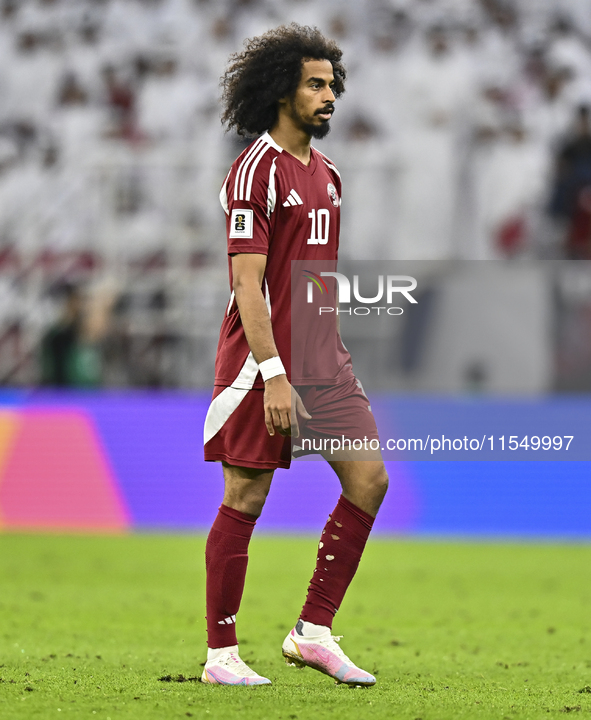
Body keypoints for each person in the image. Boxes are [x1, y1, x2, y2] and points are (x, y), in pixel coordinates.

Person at [202, 24, 389, 687]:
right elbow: (248, 284)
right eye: (316, 84)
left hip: (322, 358)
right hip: (262, 363)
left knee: (369, 480)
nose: (329, 95)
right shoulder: (253, 170)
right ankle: (220, 655)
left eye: (333, 85)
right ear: (283, 89)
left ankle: (311, 632)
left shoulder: (329, 174)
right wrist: (276, 372)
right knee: (246, 495)